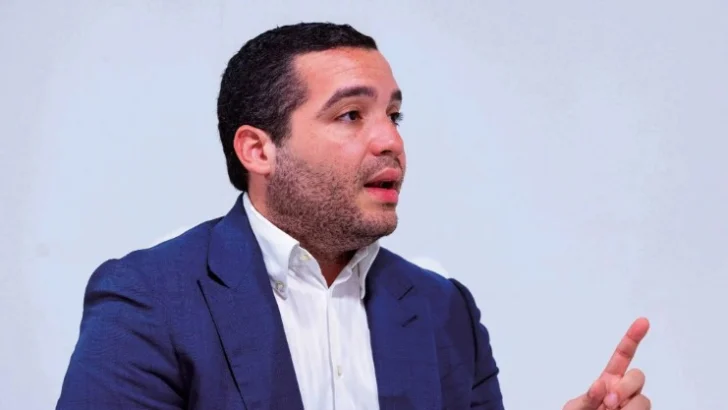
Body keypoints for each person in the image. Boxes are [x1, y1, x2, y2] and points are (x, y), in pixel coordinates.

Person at [56, 22, 651, 410]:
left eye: (394, 114)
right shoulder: (149, 299)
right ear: (258, 150)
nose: (390, 140)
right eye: (350, 116)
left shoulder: (445, 311)